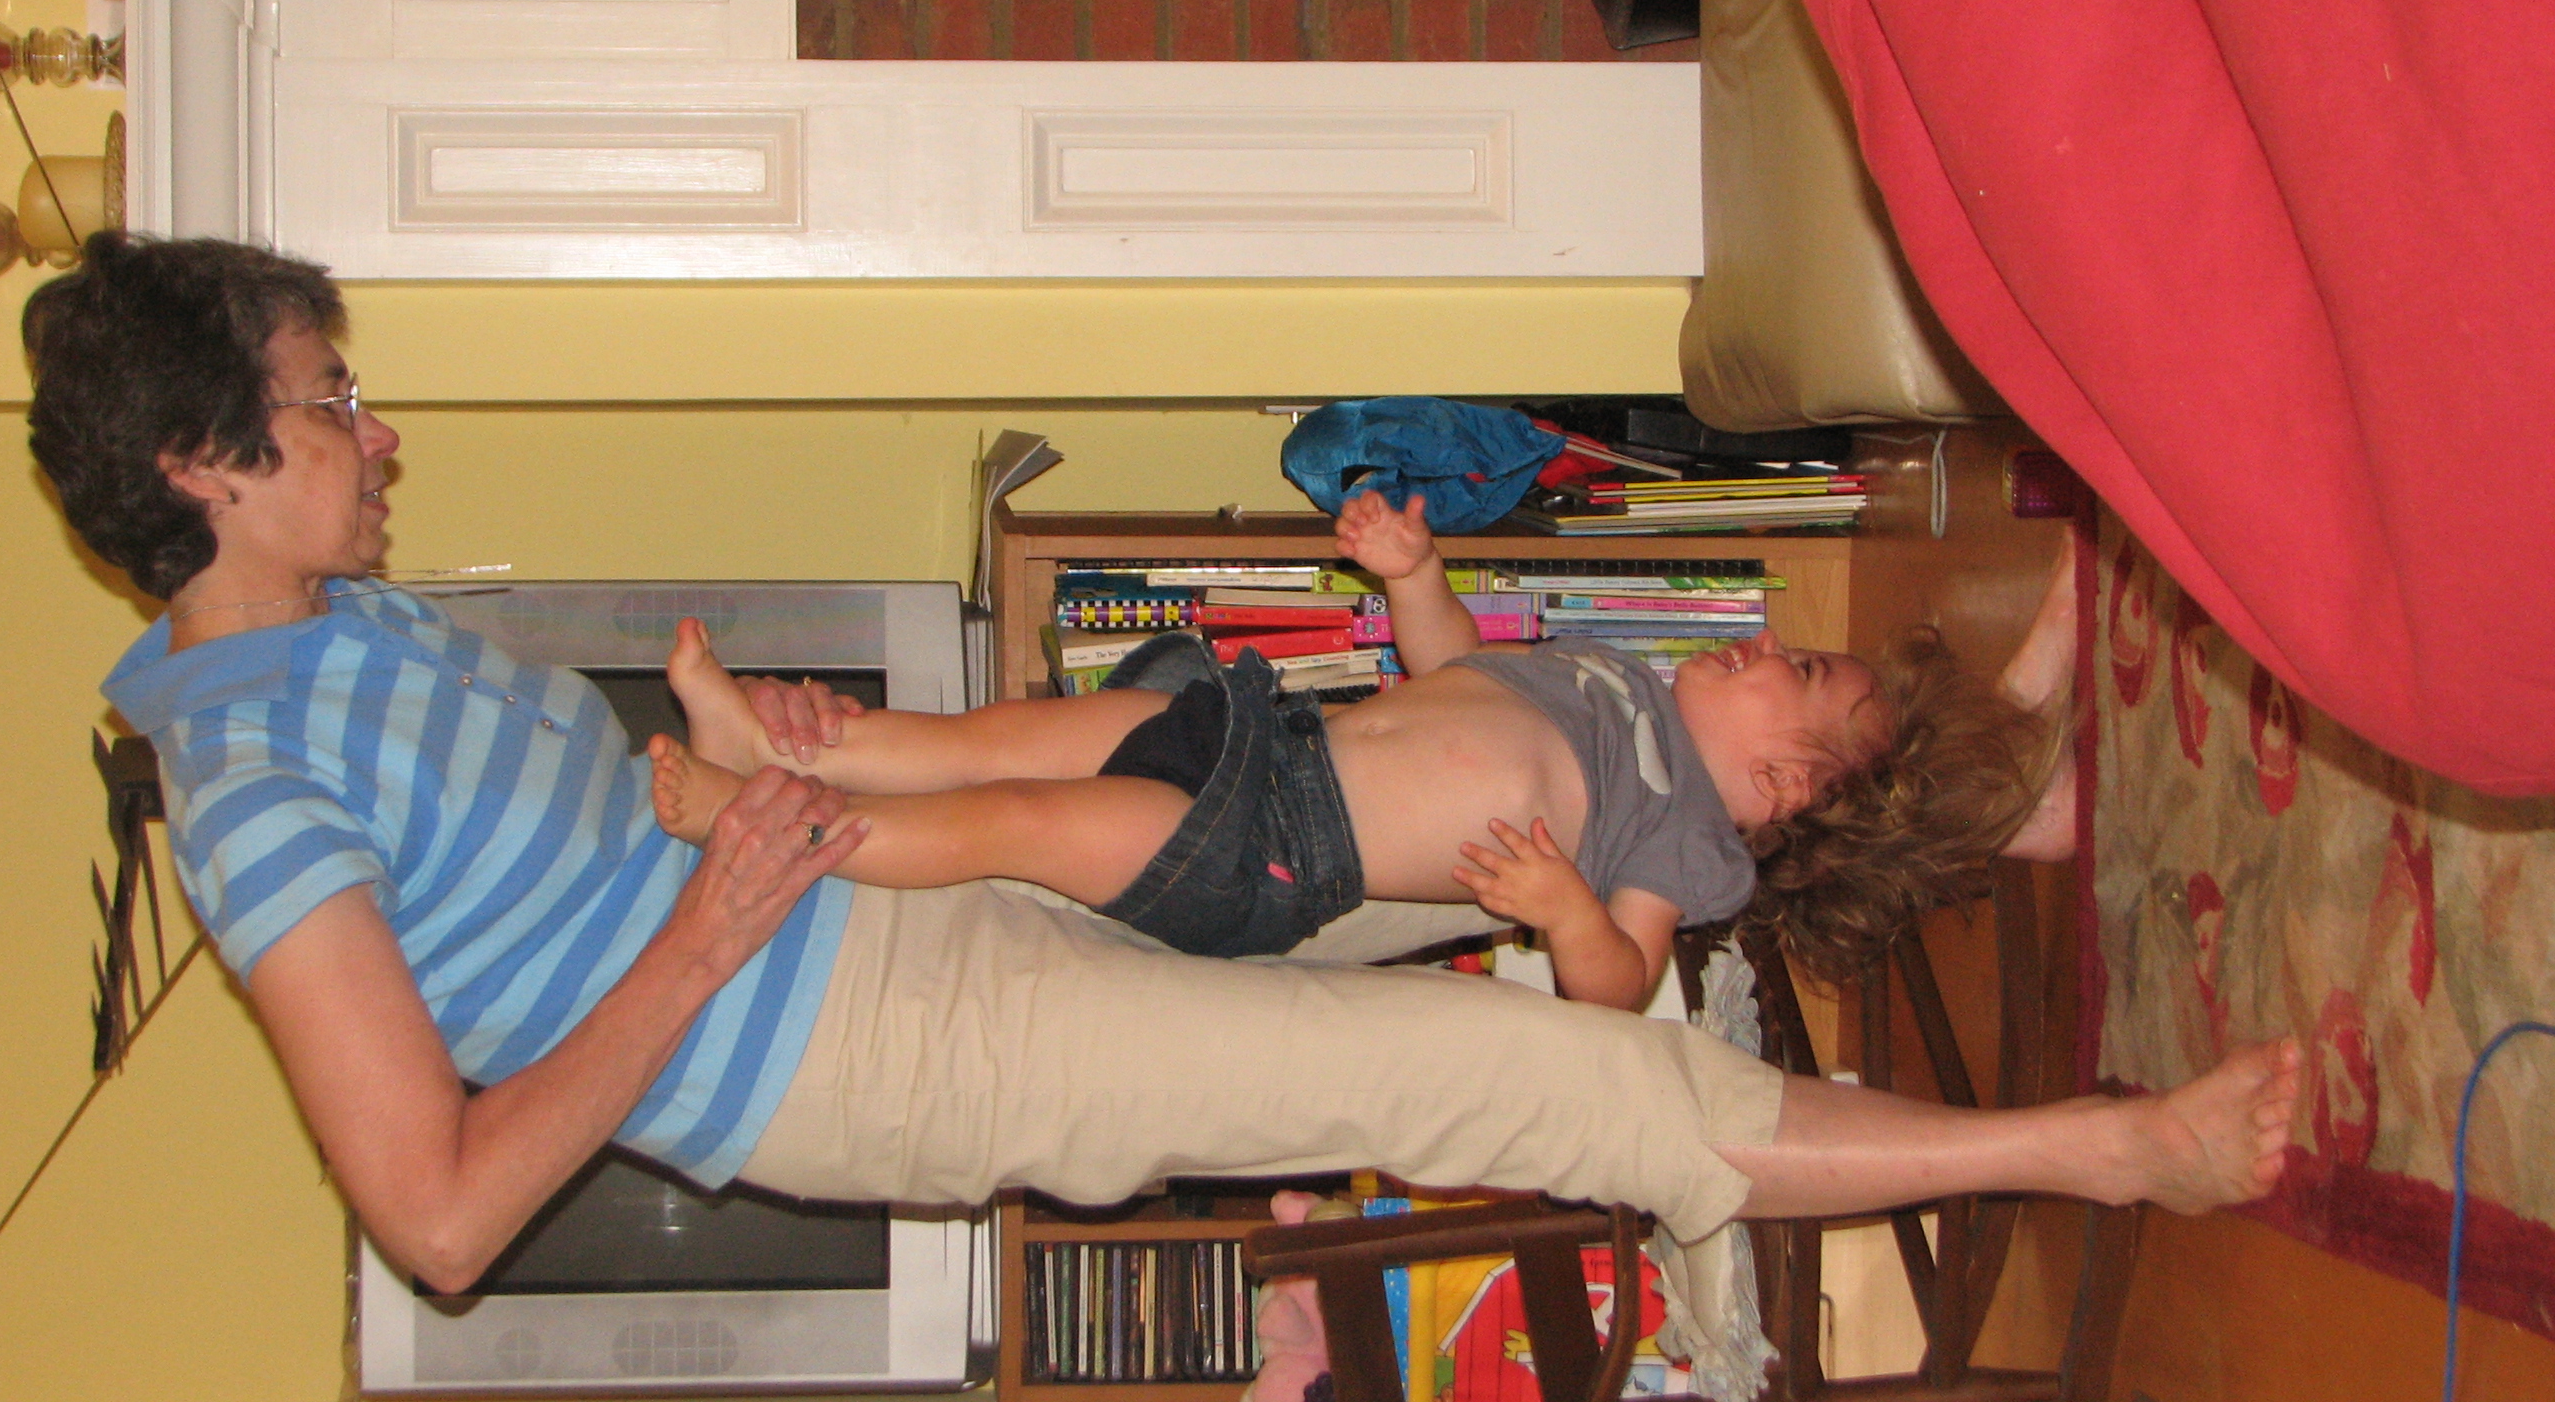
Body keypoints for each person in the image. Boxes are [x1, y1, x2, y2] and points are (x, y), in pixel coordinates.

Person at [26, 233, 2297, 1388]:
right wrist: (706, 931)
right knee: (1533, 1073)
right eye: (329, 403)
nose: (379, 432)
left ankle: (1977, 782)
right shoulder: (251, 792)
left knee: (1502, 828)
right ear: (207, 465)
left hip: (853, 893)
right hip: (861, 1038)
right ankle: (2104, 1147)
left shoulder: (341, 628)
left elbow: (563, 858)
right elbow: (436, 1211)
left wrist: (751, 774)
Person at [647, 493, 2041, 1005]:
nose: (1765, 642)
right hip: (1256, 735)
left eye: (1801, 671)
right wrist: (1416, 577)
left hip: (1263, 856)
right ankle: (782, 743)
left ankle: (751, 818)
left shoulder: (1681, 838)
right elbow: (1454, 670)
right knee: (996, 738)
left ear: (1786, 783)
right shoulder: (1615, 678)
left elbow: (1617, 984)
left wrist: (1565, 909)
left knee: (1011, 821)